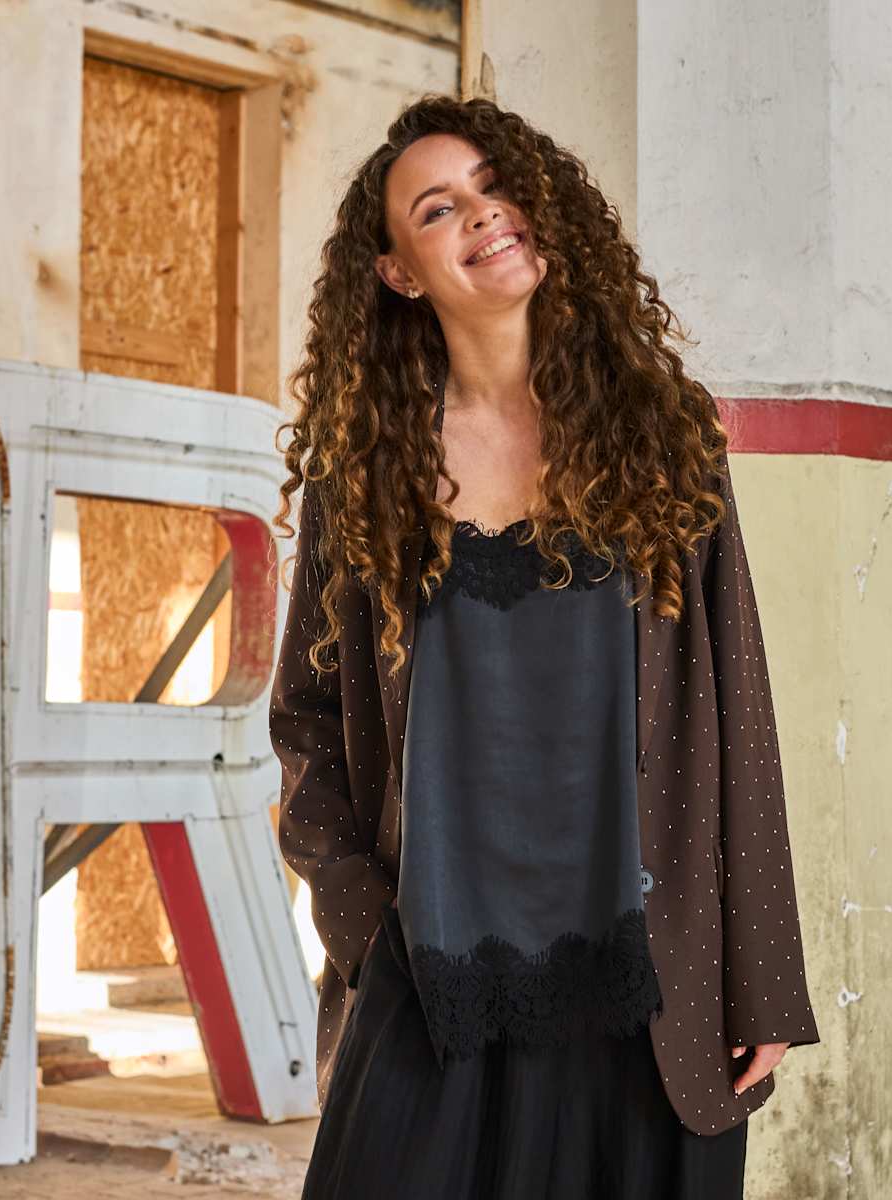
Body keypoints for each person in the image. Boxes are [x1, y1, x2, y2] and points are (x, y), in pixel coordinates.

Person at [268, 94, 819, 1200]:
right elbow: (307, 723)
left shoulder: (664, 436)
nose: (481, 213)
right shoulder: (361, 471)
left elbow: (739, 708)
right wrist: (367, 927)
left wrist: (762, 977)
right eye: (437, 209)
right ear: (399, 273)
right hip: (436, 981)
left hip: (648, 980)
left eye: (492, 185)